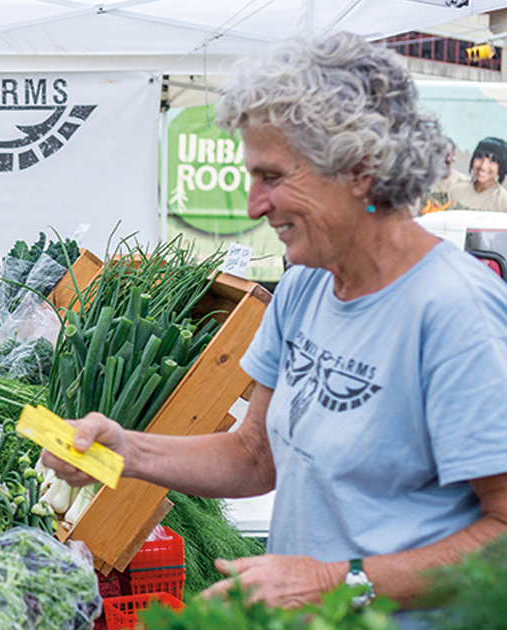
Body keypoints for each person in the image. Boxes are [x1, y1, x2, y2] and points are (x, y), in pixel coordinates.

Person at [44, 33, 507, 625]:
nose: (253, 204)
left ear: (360, 170)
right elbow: (253, 455)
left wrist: (334, 583)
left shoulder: (456, 315)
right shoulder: (307, 286)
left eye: (272, 176)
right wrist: (125, 451)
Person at [434, 136, 507, 212]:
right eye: (479, 157)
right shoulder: (457, 190)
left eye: (493, 160)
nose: (483, 166)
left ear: (501, 167)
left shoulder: (503, 201)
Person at [421, 136, 468, 215]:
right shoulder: (423, 183)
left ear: (453, 154)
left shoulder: (464, 182)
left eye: (446, 155)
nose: (441, 159)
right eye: (438, 154)